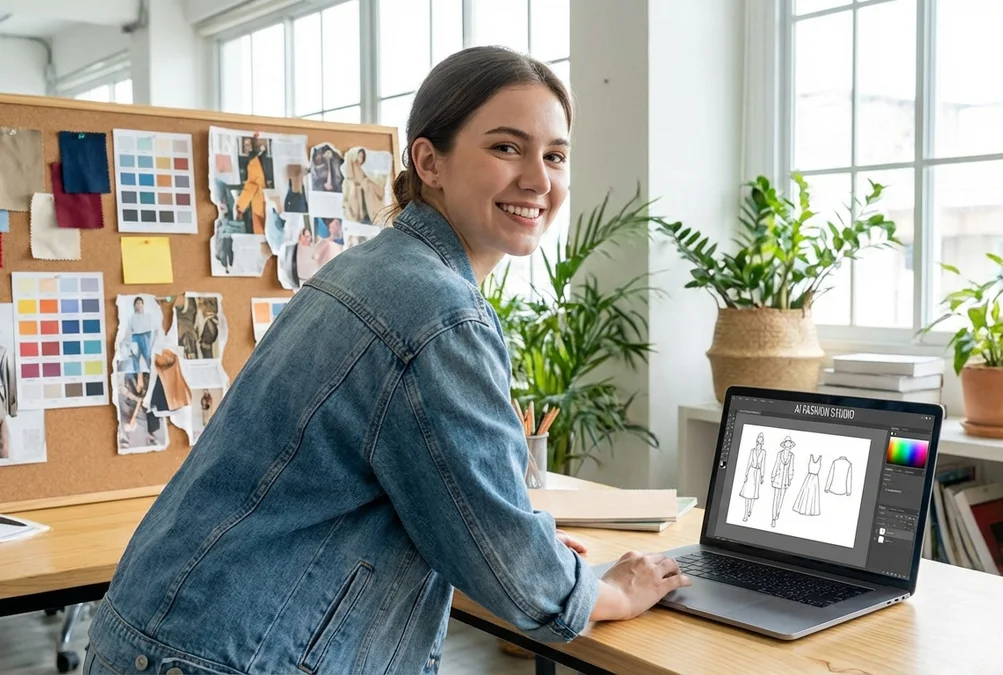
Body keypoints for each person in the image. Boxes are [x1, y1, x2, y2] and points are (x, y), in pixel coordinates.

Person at [83, 46, 688, 675]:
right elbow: (515, 576)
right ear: (429, 161)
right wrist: (611, 591)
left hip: (166, 631)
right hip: (226, 655)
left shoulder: (368, 269)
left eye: (555, 156)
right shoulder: (439, 311)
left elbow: (435, 497)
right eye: (507, 147)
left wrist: (499, 539)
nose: (538, 179)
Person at [126, 297, 155, 373]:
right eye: (137, 303)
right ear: (134, 305)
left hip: (144, 335)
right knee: (134, 356)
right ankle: (137, 373)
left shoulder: (147, 315)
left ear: (142, 305)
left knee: (147, 355)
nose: (138, 305)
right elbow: (130, 329)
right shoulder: (132, 317)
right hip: (135, 336)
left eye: (140, 303)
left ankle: (151, 372)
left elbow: (150, 329)